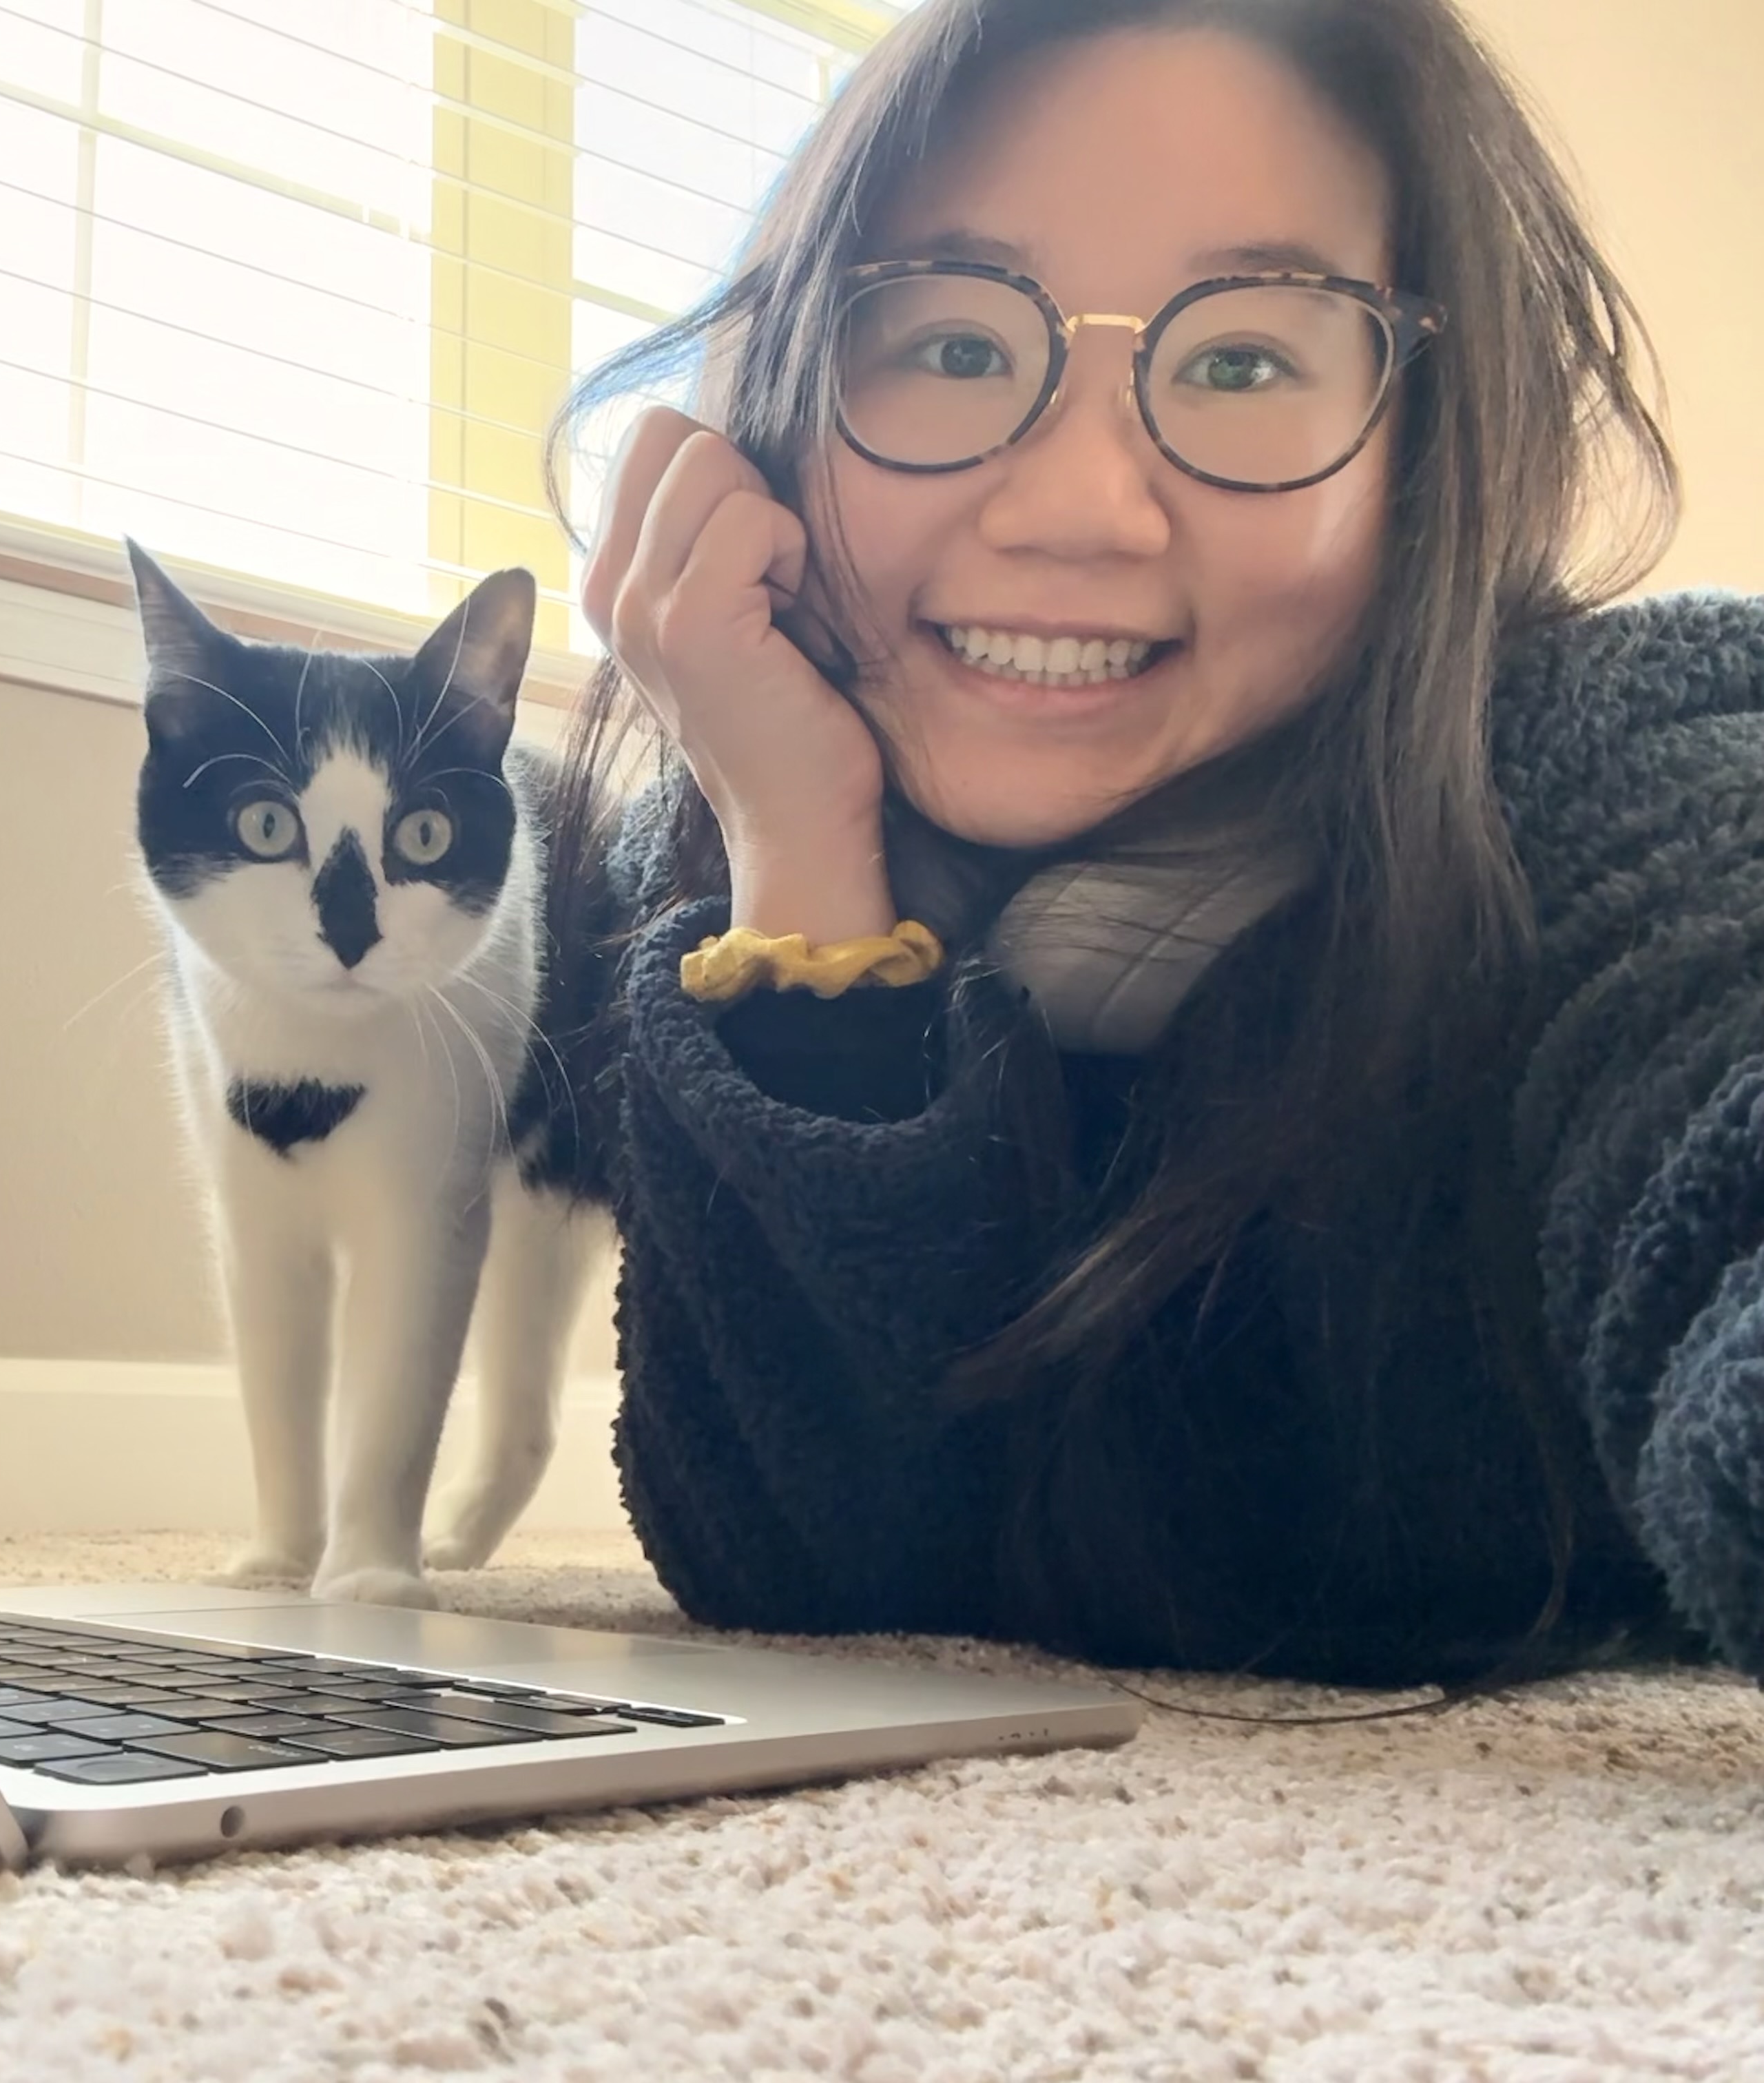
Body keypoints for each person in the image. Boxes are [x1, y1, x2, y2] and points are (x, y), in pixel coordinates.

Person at [557, 0, 1764, 1688]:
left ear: (1423, 444)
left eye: (1243, 362)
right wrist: (802, 872)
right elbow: (805, 1569)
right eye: (956, 345)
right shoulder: (720, 871)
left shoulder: (1626, 769)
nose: (1077, 510)